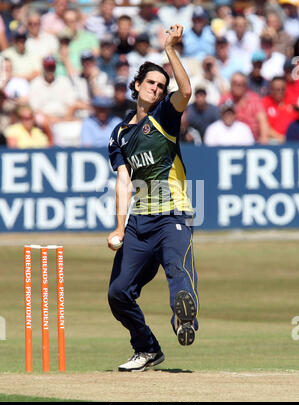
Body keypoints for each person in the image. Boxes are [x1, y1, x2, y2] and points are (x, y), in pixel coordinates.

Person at [107, 24, 199, 372]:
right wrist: (119, 227)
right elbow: (123, 181)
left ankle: (184, 320)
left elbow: (186, 90)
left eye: (161, 86)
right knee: (118, 294)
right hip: (138, 224)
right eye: (151, 83)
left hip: (173, 215)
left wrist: (170, 51)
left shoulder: (165, 116)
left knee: (178, 273)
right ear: (136, 86)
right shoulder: (120, 134)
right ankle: (146, 348)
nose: (157, 89)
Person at [220, 72, 269, 143]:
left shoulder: (254, 99)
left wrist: (264, 139)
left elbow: (262, 121)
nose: (238, 86)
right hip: (228, 140)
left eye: (241, 84)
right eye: (235, 83)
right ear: (231, 85)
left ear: (245, 85)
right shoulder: (225, 99)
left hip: (253, 142)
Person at [262, 76, 298, 143]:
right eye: (277, 89)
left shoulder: (293, 102)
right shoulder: (264, 103)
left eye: (282, 89)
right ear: (270, 89)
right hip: (273, 140)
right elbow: (264, 126)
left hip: (294, 140)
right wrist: (280, 138)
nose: (280, 91)